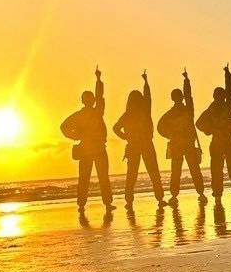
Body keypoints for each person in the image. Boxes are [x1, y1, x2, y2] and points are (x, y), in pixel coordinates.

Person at [60, 65, 113, 210]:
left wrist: (76, 136)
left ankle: (83, 205)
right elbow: (63, 127)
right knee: (99, 178)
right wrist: (98, 79)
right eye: (91, 99)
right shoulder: (96, 112)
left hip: (91, 150)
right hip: (94, 150)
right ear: (88, 101)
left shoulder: (85, 114)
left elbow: (63, 127)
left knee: (86, 179)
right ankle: (104, 203)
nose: (93, 100)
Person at [112, 71, 165, 207]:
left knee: (132, 174)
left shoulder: (128, 114)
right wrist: (146, 82)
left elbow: (115, 128)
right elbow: (148, 97)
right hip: (145, 144)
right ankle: (159, 199)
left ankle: (129, 201)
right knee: (153, 172)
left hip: (135, 145)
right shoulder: (144, 110)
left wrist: (126, 137)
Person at [156, 69, 206, 205]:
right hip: (184, 145)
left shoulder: (172, 113)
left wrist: (170, 135)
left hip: (181, 145)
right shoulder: (187, 110)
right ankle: (200, 193)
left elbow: (160, 128)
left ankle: (175, 196)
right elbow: (189, 96)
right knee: (192, 170)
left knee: (178, 171)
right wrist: (186, 80)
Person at [195, 63, 231, 200]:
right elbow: (198, 124)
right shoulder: (226, 106)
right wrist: (227, 74)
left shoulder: (216, 108)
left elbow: (198, 124)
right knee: (230, 168)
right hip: (225, 142)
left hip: (220, 142)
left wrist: (209, 130)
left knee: (219, 169)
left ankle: (220, 194)